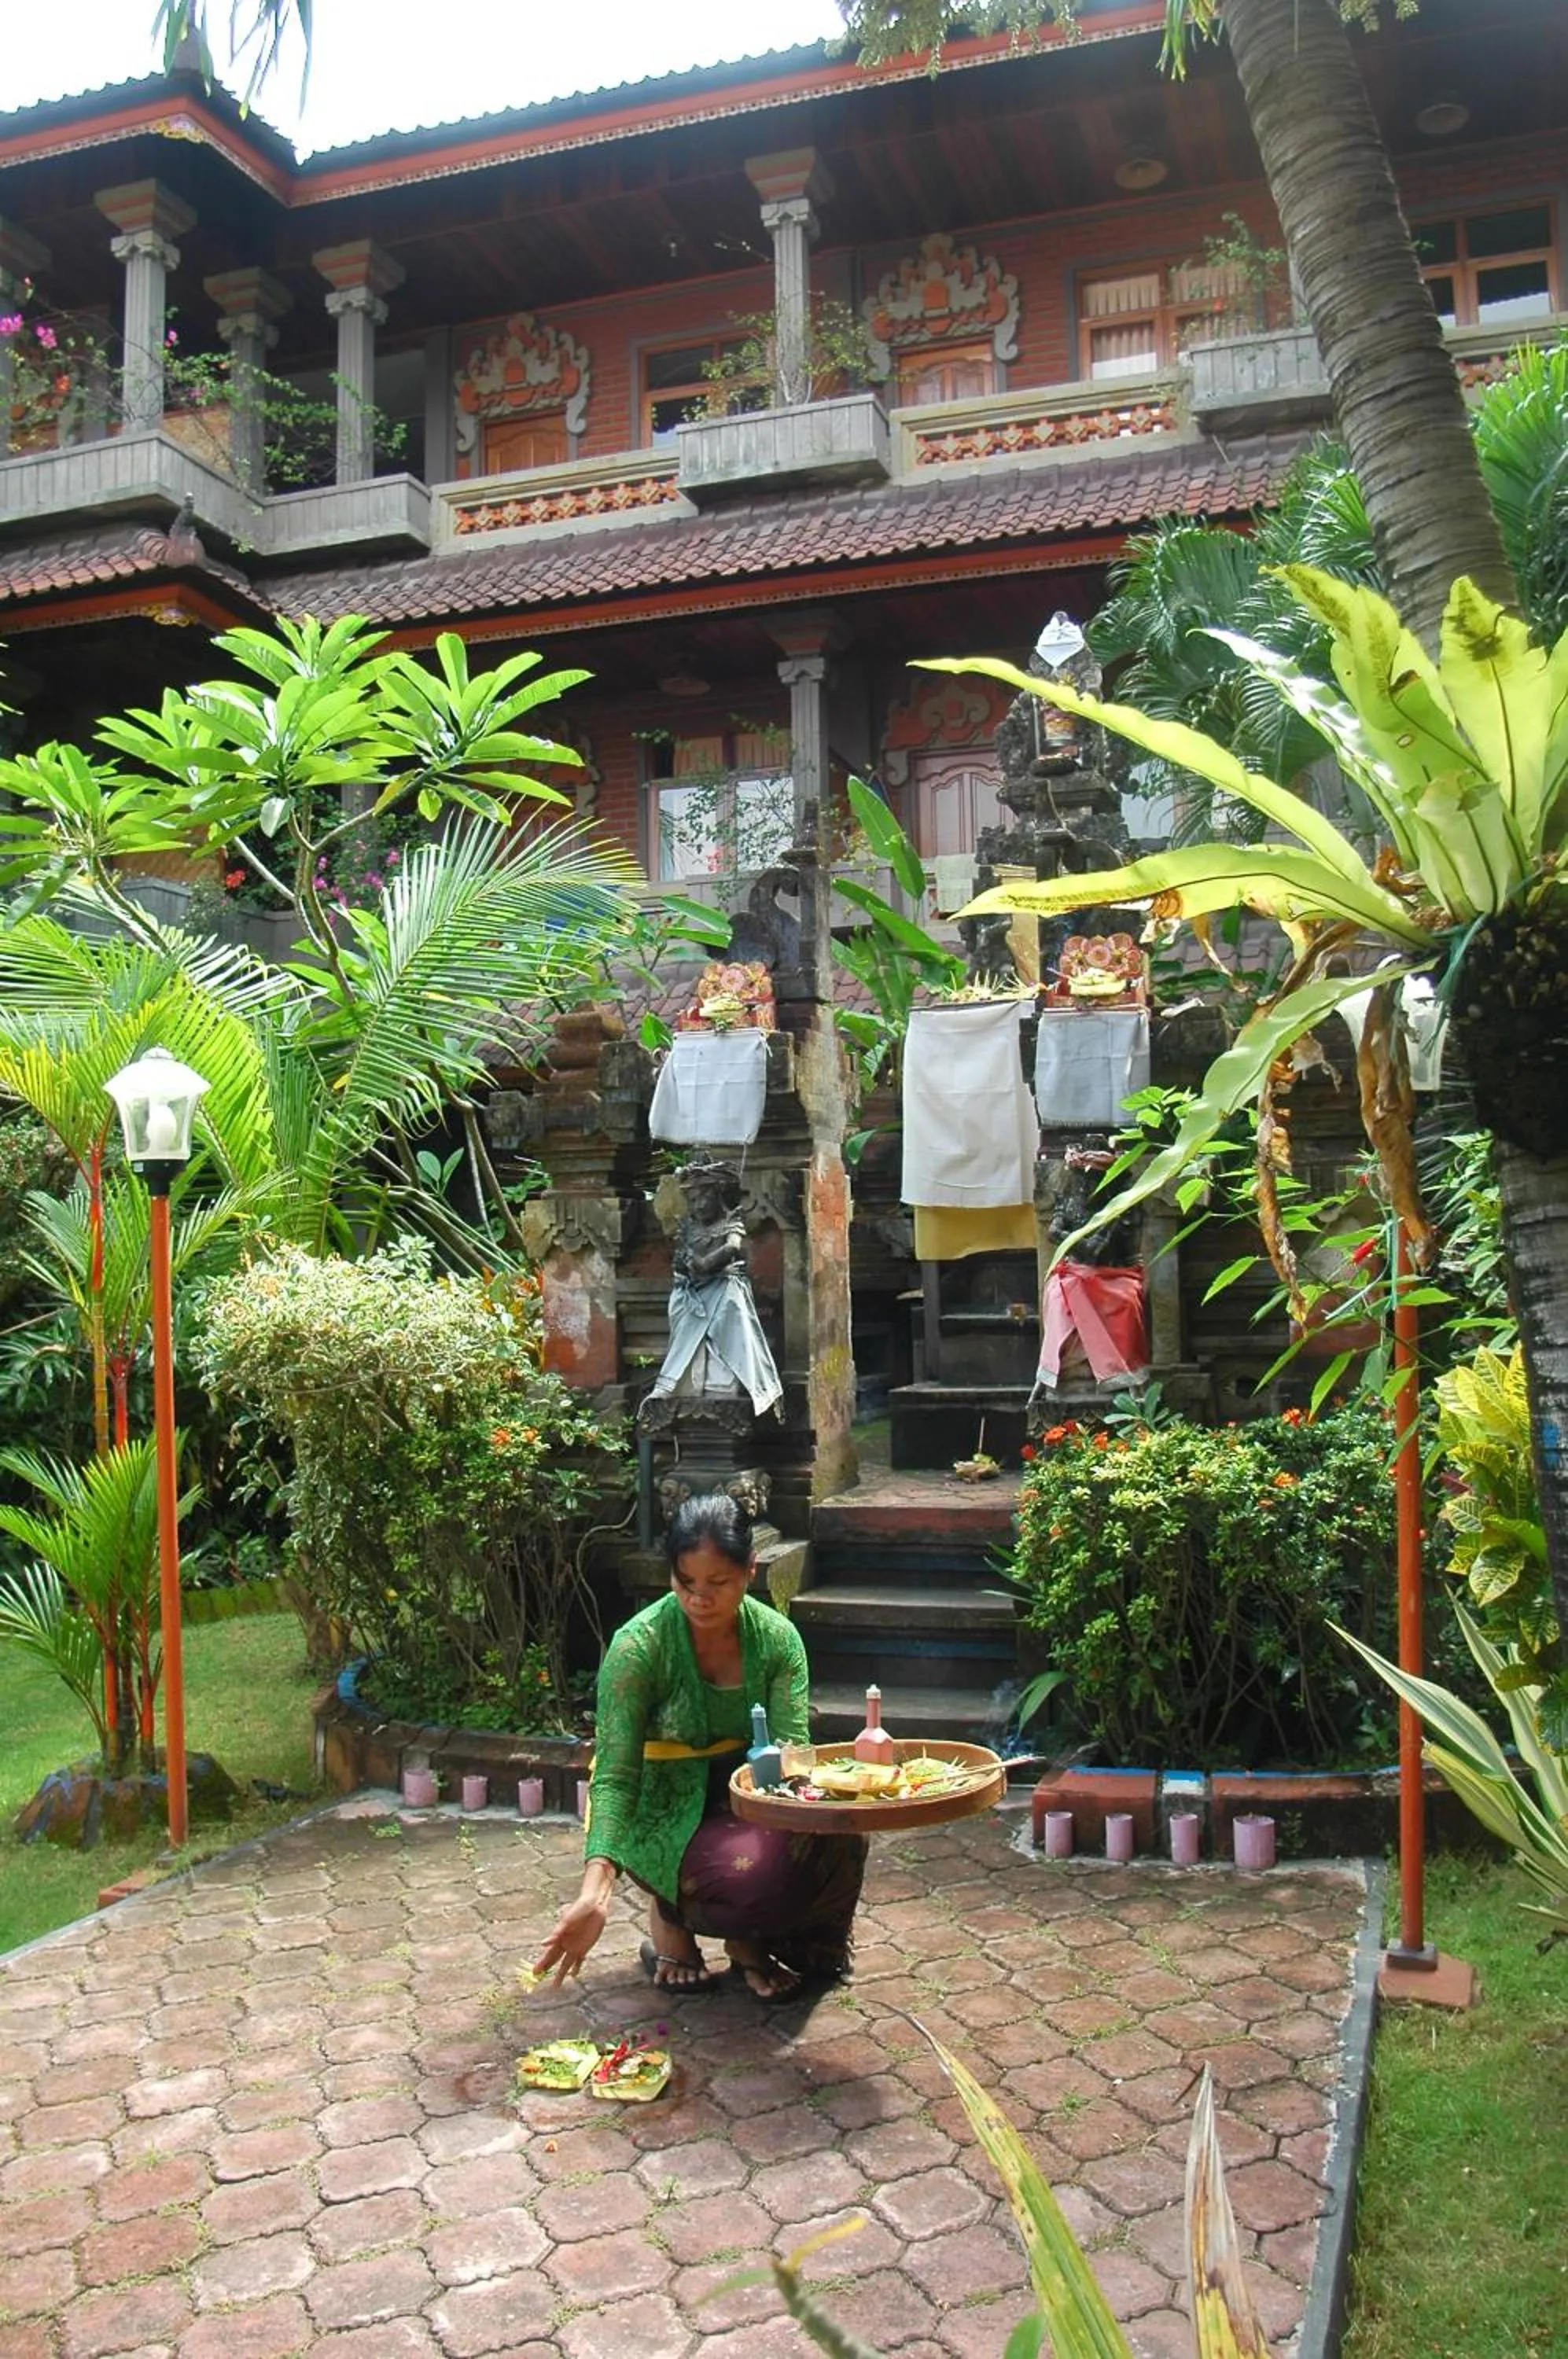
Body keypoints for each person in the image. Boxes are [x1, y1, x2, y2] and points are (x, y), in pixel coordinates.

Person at [532, 1492, 867, 2001]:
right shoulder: (638, 1646)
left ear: (750, 1572)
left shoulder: (778, 1640)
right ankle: (672, 1917)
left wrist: (843, 1804)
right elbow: (617, 1776)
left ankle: (761, 1942)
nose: (698, 1600)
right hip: (664, 1807)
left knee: (840, 1834)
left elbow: (791, 1753)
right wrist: (595, 1892)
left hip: (750, 1796)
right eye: (685, 1583)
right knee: (750, 1880)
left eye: (718, 1584)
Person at [642, 1161, 783, 1421]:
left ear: (717, 1195)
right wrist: (684, 1265)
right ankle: (686, 1383)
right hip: (694, 1290)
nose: (698, 1206)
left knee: (731, 1310)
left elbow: (732, 1248)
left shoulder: (732, 1222)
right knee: (683, 1310)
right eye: (693, 1200)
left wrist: (705, 1263)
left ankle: (726, 1382)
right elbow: (681, 1258)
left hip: (724, 1285)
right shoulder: (689, 1226)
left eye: (703, 1198)